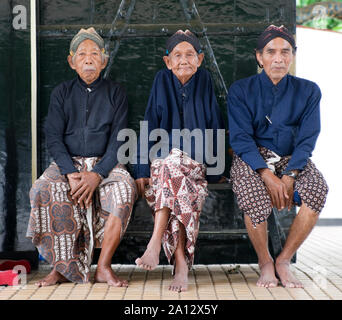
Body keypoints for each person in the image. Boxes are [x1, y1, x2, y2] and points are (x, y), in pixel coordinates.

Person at [27, 27, 137, 287]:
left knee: (124, 191)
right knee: (43, 189)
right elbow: (53, 137)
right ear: (72, 61)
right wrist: (70, 173)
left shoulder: (115, 92)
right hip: (69, 165)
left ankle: (103, 267)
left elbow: (120, 138)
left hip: (105, 164)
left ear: (103, 60)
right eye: (82, 54)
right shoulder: (61, 93)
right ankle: (61, 268)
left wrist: (97, 174)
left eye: (94, 53)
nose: (88, 58)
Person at [227, 25, 328, 288]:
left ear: (293, 55)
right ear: (259, 57)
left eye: (285, 52)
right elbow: (240, 139)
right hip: (253, 159)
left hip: (291, 159)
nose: (278, 58)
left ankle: (283, 259)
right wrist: (267, 175)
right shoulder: (241, 90)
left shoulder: (308, 91)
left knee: (317, 189)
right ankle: (265, 262)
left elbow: (308, 139)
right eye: (271, 52)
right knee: (253, 192)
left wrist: (291, 175)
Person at [133, 30, 225, 292]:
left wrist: (217, 171)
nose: (183, 60)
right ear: (168, 61)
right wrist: (141, 168)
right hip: (167, 167)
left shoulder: (204, 80)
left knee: (169, 167)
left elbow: (215, 125)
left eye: (190, 55)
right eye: (177, 55)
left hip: (196, 163)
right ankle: (181, 264)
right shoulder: (161, 81)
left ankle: (154, 245)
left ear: (200, 59)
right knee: (173, 177)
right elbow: (149, 124)